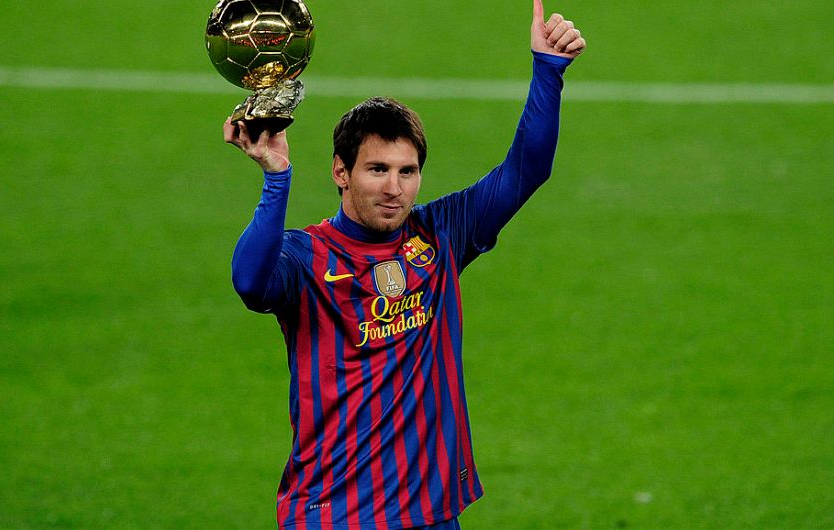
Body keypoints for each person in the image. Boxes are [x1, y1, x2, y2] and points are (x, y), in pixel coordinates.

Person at [225, 2, 585, 528]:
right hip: (335, 515)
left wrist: (547, 71)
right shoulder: (308, 257)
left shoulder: (442, 234)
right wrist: (276, 176)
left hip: (432, 514)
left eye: (407, 171)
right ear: (340, 172)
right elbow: (249, 282)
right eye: (376, 170)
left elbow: (526, 170)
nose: (394, 189)